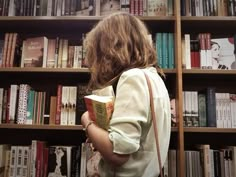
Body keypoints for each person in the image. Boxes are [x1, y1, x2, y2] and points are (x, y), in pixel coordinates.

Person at [81, 12, 171, 177]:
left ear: (110, 48)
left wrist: (87, 121)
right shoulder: (154, 78)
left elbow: (117, 155)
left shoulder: (133, 78)